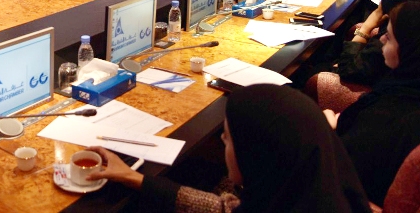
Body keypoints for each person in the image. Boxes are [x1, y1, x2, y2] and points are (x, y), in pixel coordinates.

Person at [88, 84, 370, 213]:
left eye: (228, 138)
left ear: (257, 157)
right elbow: (226, 208)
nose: (222, 140)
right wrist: (134, 178)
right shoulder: (310, 191)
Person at [326, 2, 420, 206]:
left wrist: (327, 130)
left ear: (415, 52)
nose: (381, 40)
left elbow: (337, 174)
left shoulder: (390, 122)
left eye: (390, 37)